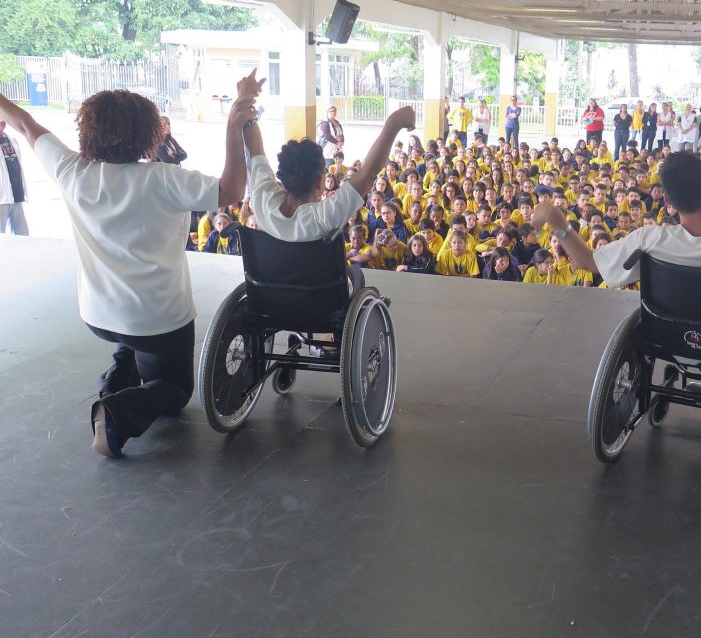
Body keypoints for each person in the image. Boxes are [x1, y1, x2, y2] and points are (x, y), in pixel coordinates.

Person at [0, 71, 260, 458]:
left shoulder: (72, 172)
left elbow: (24, 123)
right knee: (174, 393)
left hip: (98, 315)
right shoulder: (164, 179)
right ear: (148, 133)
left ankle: (118, 375)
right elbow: (233, 190)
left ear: (88, 131)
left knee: (132, 341)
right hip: (159, 320)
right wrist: (234, 120)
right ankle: (116, 413)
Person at [532, 87, 701, 403]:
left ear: (667, 200)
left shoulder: (650, 240)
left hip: (667, 342)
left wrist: (557, 220)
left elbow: (588, 263)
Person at [243, 106, 416, 243]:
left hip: (272, 288)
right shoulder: (323, 217)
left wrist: (245, 101)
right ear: (320, 181)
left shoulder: (262, 201)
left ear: (283, 179)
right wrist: (394, 122)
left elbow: (255, 149)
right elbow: (368, 172)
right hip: (318, 289)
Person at [0, 118, 29, 235]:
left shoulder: (11, 139)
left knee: (24, 236)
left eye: (2, 117)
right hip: (1, 199)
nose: (1, 120)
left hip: (16, 196)